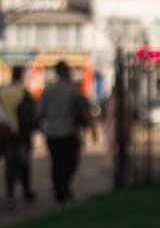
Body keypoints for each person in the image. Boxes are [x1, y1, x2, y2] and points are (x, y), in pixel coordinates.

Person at [39, 60, 92, 204]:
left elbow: (40, 112)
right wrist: (88, 126)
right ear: (66, 72)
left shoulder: (48, 90)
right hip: (68, 133)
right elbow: (82, 113)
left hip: (52, 134)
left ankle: (60, 192)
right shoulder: (72, 90)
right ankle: (63, 189)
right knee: (69, 163)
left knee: (57, 164)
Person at [0, 65, 38, 209]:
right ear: (21, 76)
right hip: (22, 135)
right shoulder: (24, 93)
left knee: (9, 166)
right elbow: (32, 117)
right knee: (24, 164)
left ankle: (10, 196)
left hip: (6, 135)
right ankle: (26, 192)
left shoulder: (4, 93)